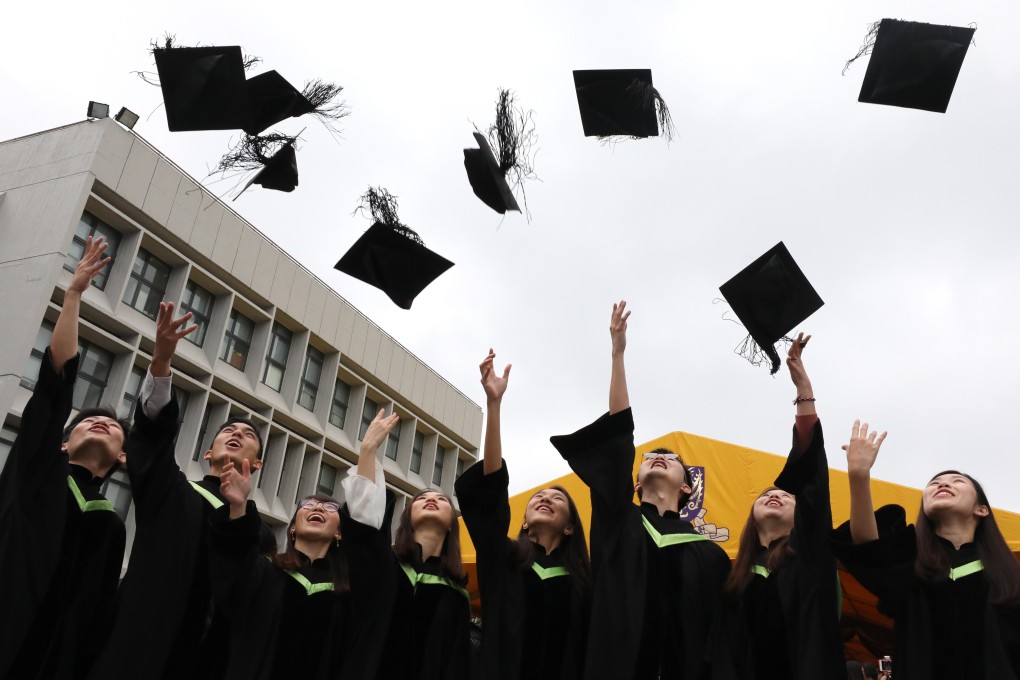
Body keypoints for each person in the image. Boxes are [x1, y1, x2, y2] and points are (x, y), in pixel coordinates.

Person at [89, 301, 273, 680]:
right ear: (208, 454)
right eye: (227, 432)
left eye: (249, 435)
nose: (237, 433)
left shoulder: (258, 534)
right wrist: (161, 362)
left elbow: (241, 600)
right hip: (138, 649)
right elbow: (154, 439)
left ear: (257, 465)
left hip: (204, 662)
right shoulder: (174, 492)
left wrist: (238, 512)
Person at [550, 301, 731, 680]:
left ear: (686, 485)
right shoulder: (619, 522)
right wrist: (618, 355)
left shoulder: (712, 558)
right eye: (648, 457)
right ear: (634, 483)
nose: (656, 457)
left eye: (668, 458)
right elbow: (618, 438)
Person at [0, 236, 129, 680]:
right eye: (87, 420)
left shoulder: (110, 527)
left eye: (112, 426)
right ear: (60, 442)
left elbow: (96, 621)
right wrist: (72, 295)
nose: (100, 423)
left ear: (122, 458)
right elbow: (54, 387)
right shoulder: (37, 474)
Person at [207, 408, 396, 680]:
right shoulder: (265, 572)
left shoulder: (351, 588)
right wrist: (237, 508)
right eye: (307, 504)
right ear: (293, 527)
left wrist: (367, 452)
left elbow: (367, 536)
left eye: (329, 506)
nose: (317, 507)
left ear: (341, 532)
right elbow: (230, 584)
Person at [832, 422, 1020, 679]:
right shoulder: (911, 564)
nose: (943, 484)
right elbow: (869, 548)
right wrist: (859, 476)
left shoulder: (1008, 577)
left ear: (981, 509)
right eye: (934, 483)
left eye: (957, 481)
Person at [712, 334, 844, 679]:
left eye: (787, 495)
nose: (777, 495)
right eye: (767, 495)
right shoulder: (732, 579)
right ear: (751, 516)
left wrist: (803, 387)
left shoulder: (811, 557)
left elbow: (811, 475)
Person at [456, 349, 592, 680]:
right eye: (538, 497)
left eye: (557, 499)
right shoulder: (503, 560)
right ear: (524, 521)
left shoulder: (585, 584)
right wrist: (494, 406)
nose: (545, 499)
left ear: (571, 527)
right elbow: (490, 492)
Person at [375, 484, 473, 679]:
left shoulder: (457, 595)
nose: (432, 499)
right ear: (407, 519)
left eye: (442, 499)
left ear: (452, 524)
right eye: (421, 498)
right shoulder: (385, 565)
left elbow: (456, 665)